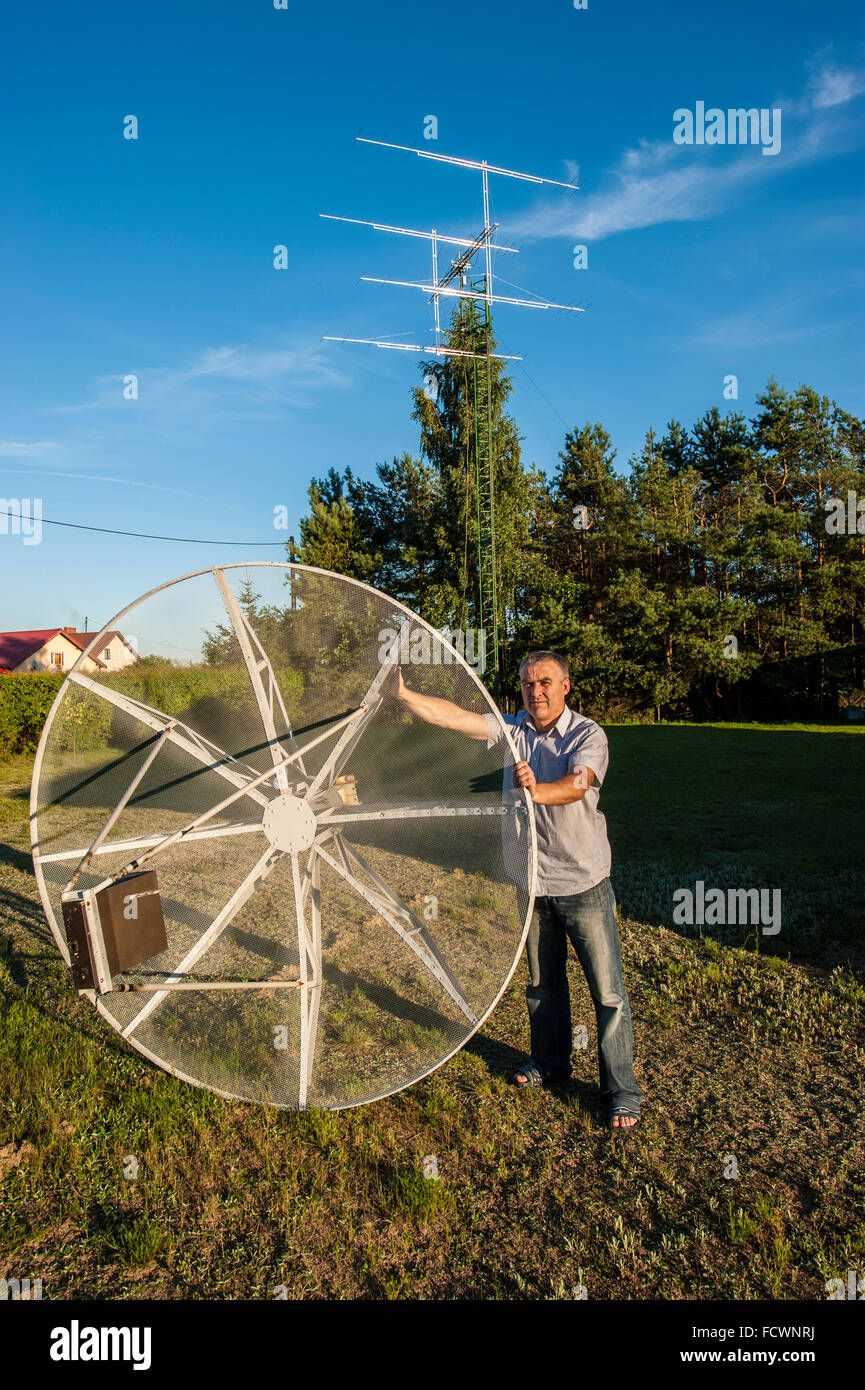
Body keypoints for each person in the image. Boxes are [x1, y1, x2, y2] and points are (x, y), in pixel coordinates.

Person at [386, 650, 643, 1131]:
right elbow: (457, 719)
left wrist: (535, 791)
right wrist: (403, 694)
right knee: (543, 984)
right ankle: (550, 1064)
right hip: (532, 880)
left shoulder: (589, 735)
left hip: (582, 882)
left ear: (565, 686)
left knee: (607, 992)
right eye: (528, 684)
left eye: (545, 682)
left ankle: (621, 1091)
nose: (536, 691)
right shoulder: (514, 730)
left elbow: (579, 784)